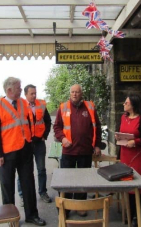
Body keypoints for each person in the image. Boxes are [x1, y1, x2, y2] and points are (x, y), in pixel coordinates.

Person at [0, 77, 46, 226]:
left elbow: (29, 121)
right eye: (19, 88)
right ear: (9, 90)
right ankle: (11, 219)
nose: (21, 90)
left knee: (28, 183)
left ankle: (32, 215)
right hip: (7, 153)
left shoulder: (22, 102)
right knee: (7, 187)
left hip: (25, 149)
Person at [53, 84, 102, 217]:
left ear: (81, 94)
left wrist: (97, 145)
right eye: (72, 92)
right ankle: (66, 207)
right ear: (70, 94)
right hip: (68, 151)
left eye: (77, 92)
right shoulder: (63, 107)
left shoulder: (90, 107)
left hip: (85, 151)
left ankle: (80, 206)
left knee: (83, 180)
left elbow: (97, 126)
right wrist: (62, 138)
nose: (74, 94)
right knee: (66, 180)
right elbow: (57, 127)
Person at [115, 94, 141, 227]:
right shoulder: (123, 117)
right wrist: (118, 138)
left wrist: (135, 142)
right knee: (126, 183)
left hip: (137, 155)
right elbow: (119, 132)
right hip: (125, 154)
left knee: (137, 185)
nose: (124, 105)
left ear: (133, 105)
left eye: (126, 103)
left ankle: (136, 215)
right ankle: (128, 212)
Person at [17, 84, 52, 206]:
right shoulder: (20, 106)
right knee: (24, 170)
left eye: (35, 93)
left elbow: (48, 121)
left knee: (41, 169)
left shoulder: (41, 105)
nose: (34, 95)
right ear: (25, 94)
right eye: (31, 93)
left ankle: (43, 192)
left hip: (39, 144)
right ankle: (22, 195)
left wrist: (44, 136)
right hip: (25, 144)